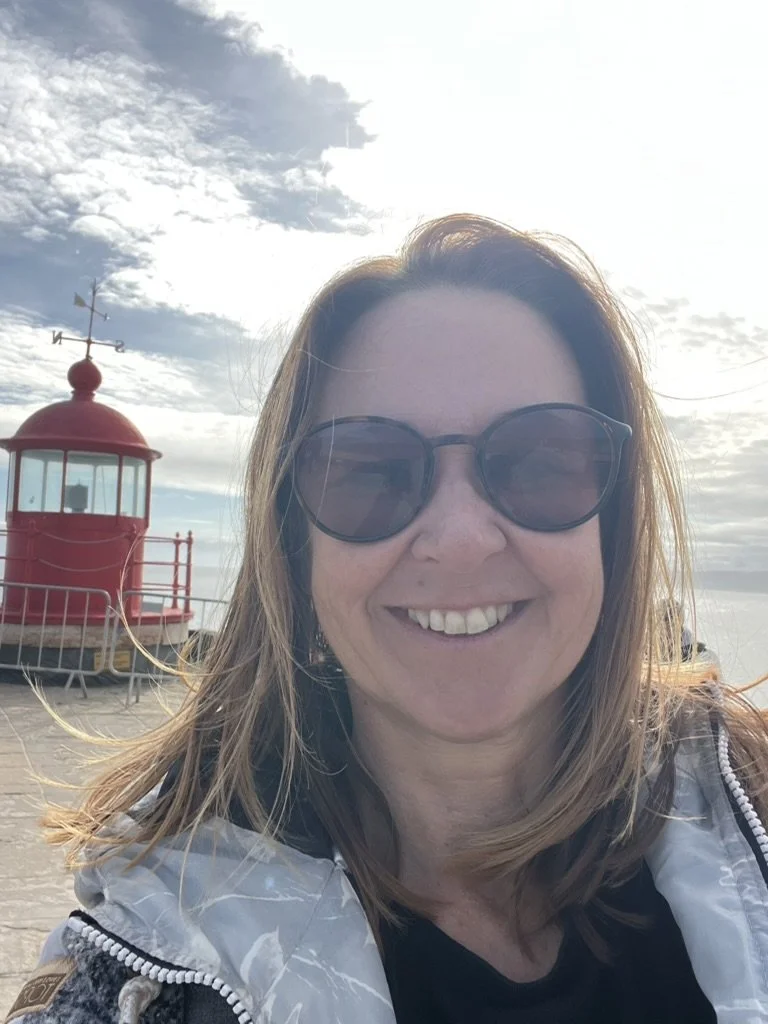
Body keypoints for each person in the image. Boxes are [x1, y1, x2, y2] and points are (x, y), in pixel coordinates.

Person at [7, 215, 768, 1024]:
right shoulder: (143, 974)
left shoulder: (748, 798)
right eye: (369, 471)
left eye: (542, 461)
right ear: (291, 548)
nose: (460, 538)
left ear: (615, 523)